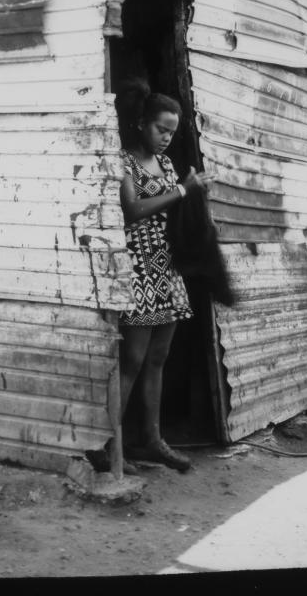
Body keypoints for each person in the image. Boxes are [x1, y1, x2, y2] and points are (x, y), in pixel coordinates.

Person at [113, 87, 214, 471]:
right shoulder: (124, 162)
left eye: (172, 131)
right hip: (138, 268)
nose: (166, 137)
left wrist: (194, 196)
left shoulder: (168, 165)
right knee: (132, 361)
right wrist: (181, 190)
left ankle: (152, 440)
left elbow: (176, 210)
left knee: (158, 358)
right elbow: (132, 210)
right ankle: (112, 447)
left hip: (166, 269)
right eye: (160, 128)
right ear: (142, 123)